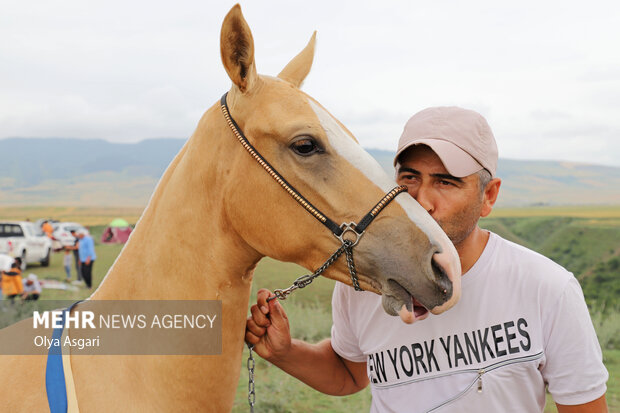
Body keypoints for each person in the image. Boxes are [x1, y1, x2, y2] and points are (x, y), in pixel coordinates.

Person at [245, 107, 608, 412]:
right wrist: (286, 352)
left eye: (446, 182)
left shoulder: (547, 287)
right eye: (410, 178)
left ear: (489, 196)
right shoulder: (368, 285)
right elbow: (349, 372)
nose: (423, 201)